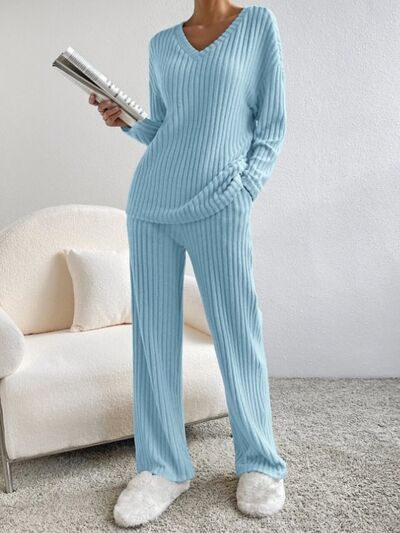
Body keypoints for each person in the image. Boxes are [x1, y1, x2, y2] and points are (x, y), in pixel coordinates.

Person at [89, 1, 287, 527]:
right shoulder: (162, 44)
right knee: (153, 338)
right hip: (151, 203)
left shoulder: (257, 25)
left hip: (221, 201)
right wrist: (124, 120)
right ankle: (162, 467)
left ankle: (259, 462)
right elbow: (163, 129)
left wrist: (245, 188)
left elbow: (272, 123)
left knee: (238, 330)